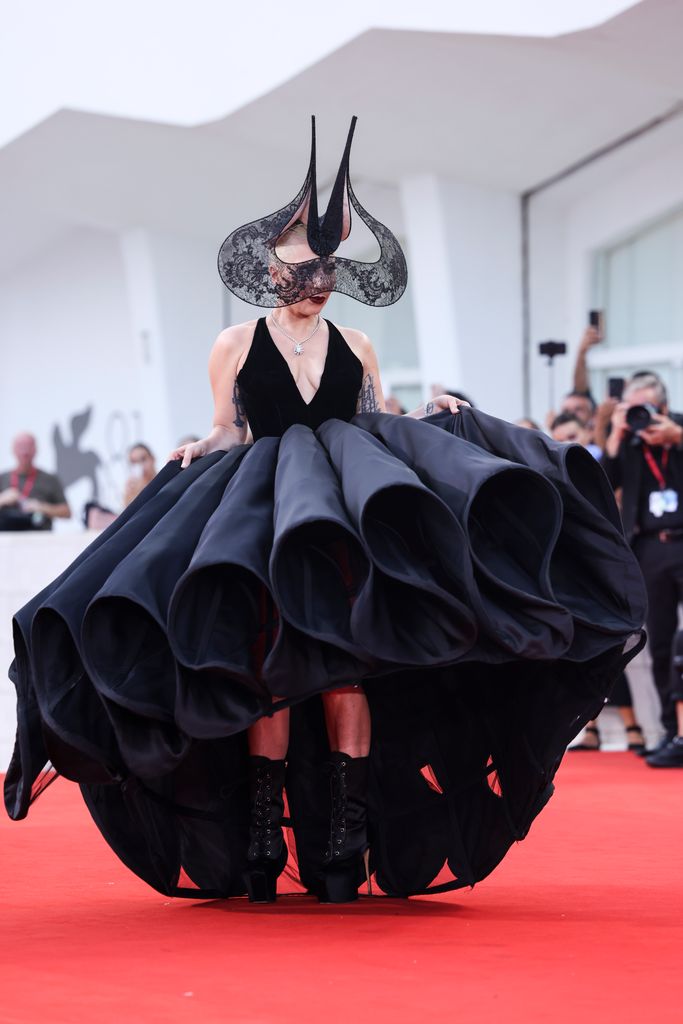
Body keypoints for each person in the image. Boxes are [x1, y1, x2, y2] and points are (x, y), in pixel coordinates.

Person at [5, 117, 646, 907]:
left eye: (324, 272)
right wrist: (195, 446)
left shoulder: (360, 343)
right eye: (302, 270)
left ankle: (345, 838)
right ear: (272, 275)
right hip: (262, 518)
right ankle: (262, 840)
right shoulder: (234, 342)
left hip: (341, 524)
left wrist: (437, 416)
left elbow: (380, 422)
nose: (314, 283)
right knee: (269, 675)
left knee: (344, 674)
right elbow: (225, 426)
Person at [601, 372, 683, 764]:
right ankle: (673, 733)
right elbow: (601, 484)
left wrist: (677, 437)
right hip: (649, 548)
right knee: (662, 644)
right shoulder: (629, 445)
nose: (642, 417)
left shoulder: (680, 430)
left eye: (647, 408)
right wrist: (615, 436)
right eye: (633, 409)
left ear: (664, 407)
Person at [0, 432, 70, 530]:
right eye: (21, 447)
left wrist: (42, 507)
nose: (25, 452)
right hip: (6, 538)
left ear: (35, 450)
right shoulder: (2, 478)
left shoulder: (50, 479)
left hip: (39, 537)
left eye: (28, 446)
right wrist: (2, 499)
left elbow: (67, 512)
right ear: (13, 450)